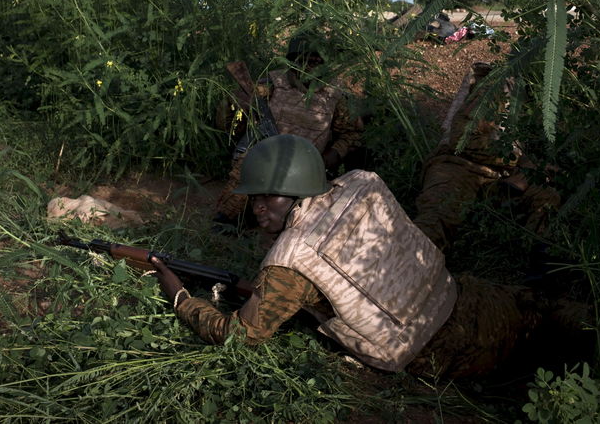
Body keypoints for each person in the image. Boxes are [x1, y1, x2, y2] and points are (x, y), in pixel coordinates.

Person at [151, 134, 554, 379]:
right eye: (254, 197)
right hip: (463, 295)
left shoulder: (290, 260)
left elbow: (237, 337)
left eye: (268, 196)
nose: (257, 207)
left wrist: (178, 294)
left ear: (295, 191)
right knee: (553, 315)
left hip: (442, 351)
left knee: (545, 352)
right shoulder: (360, 184)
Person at [214, 35, 363, 227]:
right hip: (264, 158)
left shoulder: (335, 94)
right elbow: (229, 124)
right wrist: (233, 103)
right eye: (307, 56)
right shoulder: (273, 83)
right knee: (243, 181)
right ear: (293, 58)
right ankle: (231, 218)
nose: (314, 61)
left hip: (305, 169)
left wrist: (333, 154)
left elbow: (353, 133)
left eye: (319, 57)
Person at [413, 62, 561, 251]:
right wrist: (516, 162)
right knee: (434, 226)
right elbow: (463, 139)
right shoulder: (497, 87)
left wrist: (532, 167)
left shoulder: (528, 98)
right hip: (458, 168)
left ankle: (540, 266)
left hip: (495, 178)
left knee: (546, 198)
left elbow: (513, 145)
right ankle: (392, 269)